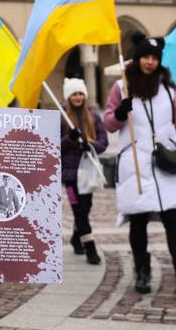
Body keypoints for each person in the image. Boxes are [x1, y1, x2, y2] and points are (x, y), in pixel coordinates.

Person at [104, 32, 176, 300]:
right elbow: (108, 124)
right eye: (145, 57)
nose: (149, 62)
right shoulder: (121, 88)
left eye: (154, 58)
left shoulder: (169, 91)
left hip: (166, 164)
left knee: (174, 221)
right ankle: (142, 271)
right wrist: (119, 112)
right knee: (138, 221)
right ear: (137, 59)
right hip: (135, 165)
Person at [60, 77, 108, 264]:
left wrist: (92, 145)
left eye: (81, 93)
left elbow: (103, 142)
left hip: (88, 173)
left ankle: (75, 237)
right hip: (70, 177)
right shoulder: (62, 117)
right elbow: (54, 145)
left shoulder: (94, 117)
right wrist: (69, 139)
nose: (78, 97)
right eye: (74, 94)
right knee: (78, 210)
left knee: (86, 209)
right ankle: (90, 248)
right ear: (68, 97)